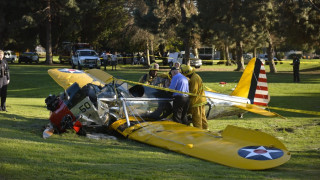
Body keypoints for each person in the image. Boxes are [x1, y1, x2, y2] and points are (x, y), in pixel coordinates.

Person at [180, 64, 208, 129]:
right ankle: (206, 131)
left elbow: (193, 92)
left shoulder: (194, 79)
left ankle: (198, 133)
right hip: (201, 100)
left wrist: (183, 93)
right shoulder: (195, 76)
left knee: (197, 119)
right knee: (202, 118)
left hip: (196, 102)